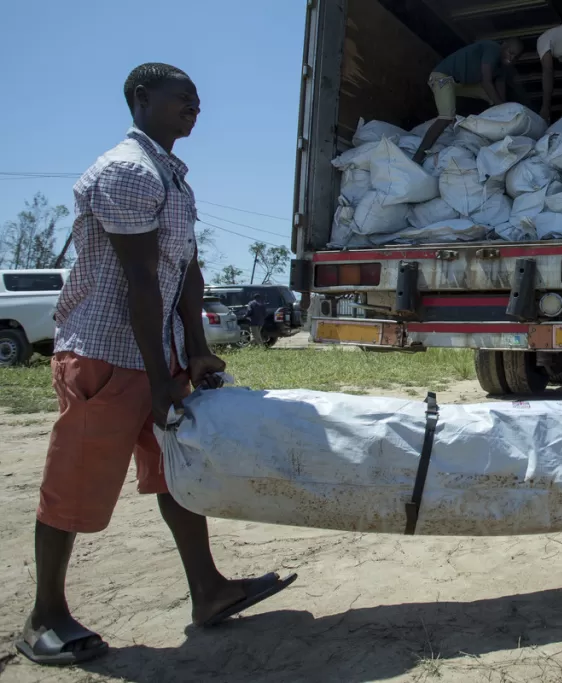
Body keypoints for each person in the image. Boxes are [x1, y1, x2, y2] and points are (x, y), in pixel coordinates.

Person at [16, 63, 296, 667]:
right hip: (106, 355)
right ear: (141, 99)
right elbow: (140, 281)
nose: (195, 107)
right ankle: (45, 616)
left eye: (198, 100)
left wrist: (192, 352)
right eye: (182, 99)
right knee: (76, 484)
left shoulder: (173, 177)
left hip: (156, 353)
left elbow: (185, 276)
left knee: (177, 473)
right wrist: (157, 380)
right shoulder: (127, 171)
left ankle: (210, 592)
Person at [412, 39, 525, 163]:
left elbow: (500, 93)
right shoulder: (493, 49)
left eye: (516, 57)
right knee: (446, 117)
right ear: (504, 46)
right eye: (510, 52)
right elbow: (485, 80)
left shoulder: (502, 68)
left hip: (458, 84)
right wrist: (500, 105)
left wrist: (505, 110)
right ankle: (418, 156)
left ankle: (496, 135)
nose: (511, 58)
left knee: (491, 97)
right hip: (443, 78)